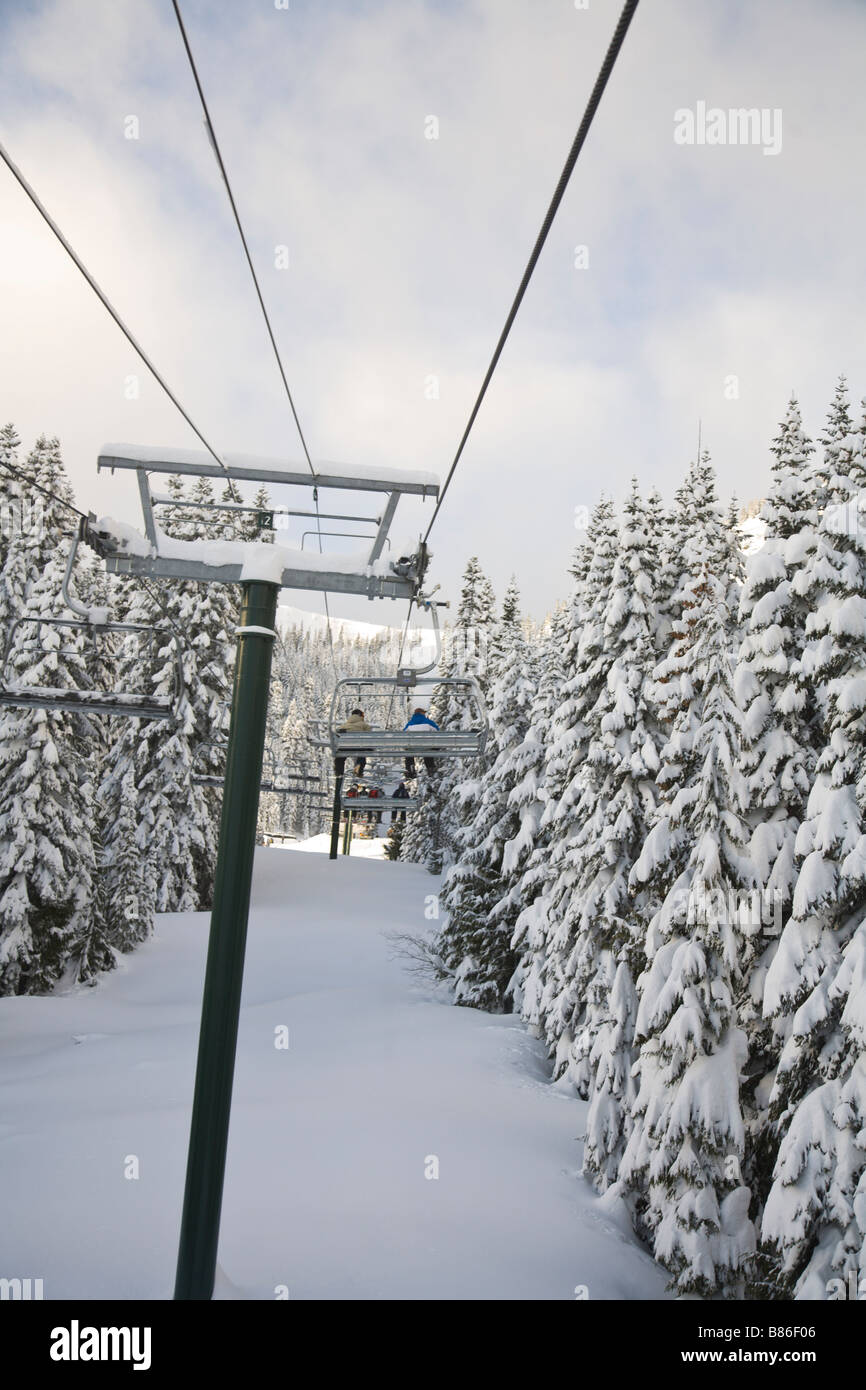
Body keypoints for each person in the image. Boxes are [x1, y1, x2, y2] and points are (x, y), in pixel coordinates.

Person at [403, 706, 439, 778]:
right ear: (421, 713)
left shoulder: (409, 724)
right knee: (429, 751)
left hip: (413, 748)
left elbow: (404, 734)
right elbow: (437, 731)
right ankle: (430, 768)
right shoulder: (428, 722)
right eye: (423, 713)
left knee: (408, 753)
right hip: (426, 747)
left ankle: (411, 769)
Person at [336, 707, 372, 777]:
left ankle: (339, 772)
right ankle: (359, 770)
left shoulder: (344, 725)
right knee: (361, 755)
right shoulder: (364, 725)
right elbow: (369, 735)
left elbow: (337, 733)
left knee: (340, 758)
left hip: (345, 746)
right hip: (358, 746)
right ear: (360, 715)